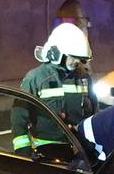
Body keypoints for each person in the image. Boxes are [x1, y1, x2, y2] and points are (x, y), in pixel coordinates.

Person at [14, 23, 95, 153]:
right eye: (73, 57)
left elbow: (94, 110)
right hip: (46, 151)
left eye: (80, 58)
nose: (77, 62)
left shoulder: (84, 77)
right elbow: (19, 115)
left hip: (80, 149)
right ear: (57, 53)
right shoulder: (36, 78)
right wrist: (23, 150)